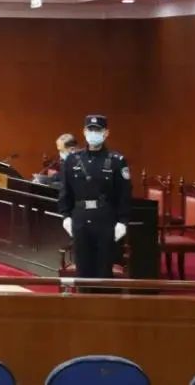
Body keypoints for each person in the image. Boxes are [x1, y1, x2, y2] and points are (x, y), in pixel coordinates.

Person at [58, 115, 131, 281]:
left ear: (106, 133)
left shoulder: (116, 161)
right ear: (84, 132)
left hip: (105, 219)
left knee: (103, 271)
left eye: (97, 130)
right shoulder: (72, 160)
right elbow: (65, 191)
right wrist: (65, 216)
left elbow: (124, 194)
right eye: (90, 129)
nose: (93, 133)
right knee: (82, 271)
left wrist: (123, 221)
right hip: (80, 219)